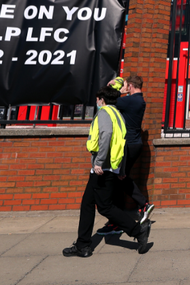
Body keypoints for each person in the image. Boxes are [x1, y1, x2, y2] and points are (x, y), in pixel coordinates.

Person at [63, 86, 151, 258]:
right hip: (113, 166)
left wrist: (99, 162)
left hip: (102, 168)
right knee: (87, 204)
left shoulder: (104, 113)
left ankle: (137, 230)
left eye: (97, 99)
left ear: (102, 99)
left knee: (105, 207)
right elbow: (123, 141)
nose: (96, 102)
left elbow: (107, 134)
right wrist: (121, 169)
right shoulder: (118, 114)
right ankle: (83, 245)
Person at [97, 75, 155, 236]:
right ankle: (117, 221)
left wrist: (115, 88)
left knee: (119, 177)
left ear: (130, 86)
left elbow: (107, 101)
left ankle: (140, 206)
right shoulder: (138, 100)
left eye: (126, 86)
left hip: (128, 145)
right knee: (118, 178)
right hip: (133, 144)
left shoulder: (131, 100)